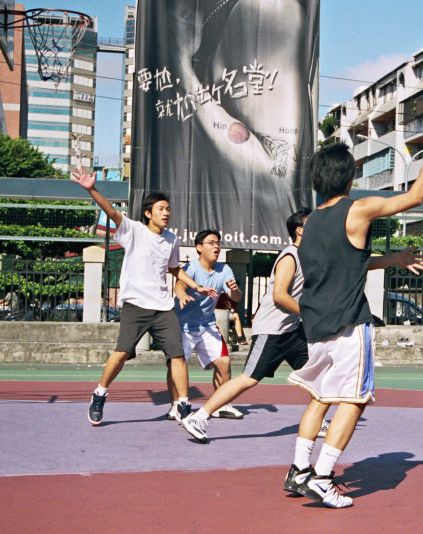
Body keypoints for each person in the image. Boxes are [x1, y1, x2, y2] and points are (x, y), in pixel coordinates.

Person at [282, 143, 423, 508]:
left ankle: (299, 470)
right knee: (355, 399)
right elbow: (414, 197)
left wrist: (392, 259)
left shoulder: (311, 222)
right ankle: (321, 477)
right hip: (350, 324)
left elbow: (349, 262)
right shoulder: (359, 208)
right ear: (349, 177)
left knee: (321, 397)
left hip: (316, 325)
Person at [70, 165, 218, 426]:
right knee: (122, 353)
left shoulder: (171, 239)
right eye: (161, 209)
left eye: (168, 209)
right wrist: (92, 189)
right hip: (136, 305)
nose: (166, 213)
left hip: (163, 307)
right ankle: (100, 393)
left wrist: (196, 287)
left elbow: (173, 269)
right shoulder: (133, 230)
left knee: (177, 356)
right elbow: (112, 212)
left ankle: (182, 405)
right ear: (148, 213)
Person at [181, 209, 320, 442]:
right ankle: (199, 416)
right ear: (300, 230)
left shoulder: (311, 255)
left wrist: (392, 259)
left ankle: (318, 421)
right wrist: (310, 313)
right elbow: (279, 296)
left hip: (292, 329)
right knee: (249, 378)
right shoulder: (290, 257)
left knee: (316, 375)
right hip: (272, 330)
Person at [167, 229, 243, 421]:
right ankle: (176, 405)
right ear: (199, 247)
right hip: (183, 326)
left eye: (218, 243)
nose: (216, 246)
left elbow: (235, 297)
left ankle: (220, 405)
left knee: (224, 362)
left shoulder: (224, 270)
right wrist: (182, 294)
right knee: (176, 364)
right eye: (211, 242)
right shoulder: (191, 267)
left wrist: (235, 291)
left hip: (207, 325)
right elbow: (179, 284)